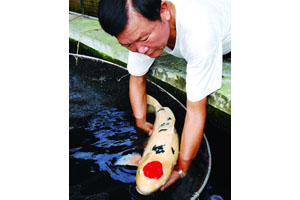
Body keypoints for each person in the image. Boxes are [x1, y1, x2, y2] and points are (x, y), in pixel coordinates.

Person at [98, 0, 231, 191]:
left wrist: (182, 167)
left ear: (164, 10)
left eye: (144, 39)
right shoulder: (138, 29)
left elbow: (195, 112)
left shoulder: (200, 34)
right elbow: (136, 78)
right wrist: (140, 121)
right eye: (128, 45)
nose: (140, 51)